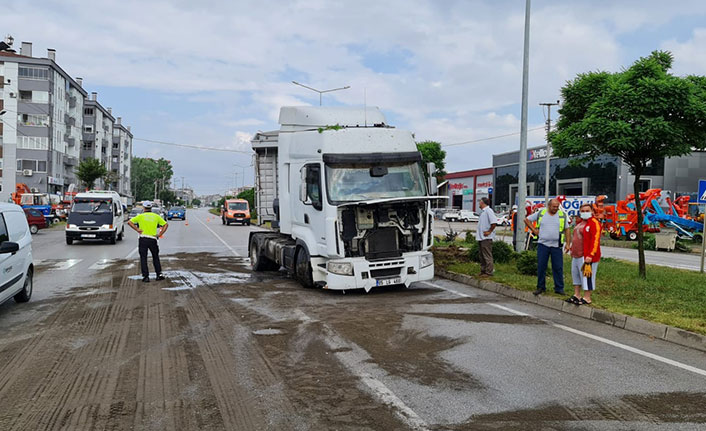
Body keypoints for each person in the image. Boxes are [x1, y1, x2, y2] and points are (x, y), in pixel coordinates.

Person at [525, 198, 570, 295]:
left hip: (556, 246)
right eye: (554, 207)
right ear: (549, 206)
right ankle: (541, 287)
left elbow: (567, 229)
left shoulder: (562, 215)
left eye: (557, 207)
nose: (555, 208)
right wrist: (534, 230)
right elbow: (527, 219)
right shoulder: (541, 213)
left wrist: (568, 244)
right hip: (543, 244)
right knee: (541, 266)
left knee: (558, 267)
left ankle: (559, 288)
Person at [567, 204, 601, 305]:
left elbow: (595, 240)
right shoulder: (580, 222)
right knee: (576, 275)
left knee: (587, 276)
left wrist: (591, 255)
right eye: (582, 210)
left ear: (592, 211)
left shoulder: (594, 223)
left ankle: (587, 297)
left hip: (586, 256)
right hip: (576, 255)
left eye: (587, 210)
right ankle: (577, 295)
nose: (584, 212)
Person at [127, 200, 169, 283]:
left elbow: (129, 222)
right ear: (151, 208)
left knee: (143, 258)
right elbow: (165, 225)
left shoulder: (140, 216)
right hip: (153, 239)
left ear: (144, 207)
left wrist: (137, 229)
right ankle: (158, 274)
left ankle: (146, 277)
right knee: (155, 257)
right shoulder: (156, 216)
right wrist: (160, 234)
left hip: (143, 239)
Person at [476, 197, 498, 277]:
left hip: (486, 238)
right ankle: (483, 271)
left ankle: (489, 272)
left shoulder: (489, 211)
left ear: (483, 203)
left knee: (487, 255)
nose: (479, 204)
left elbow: (494, 223)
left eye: (480, 202)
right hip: (481, 237)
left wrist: (489, 231)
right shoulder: (483, 212)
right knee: (482, 256)